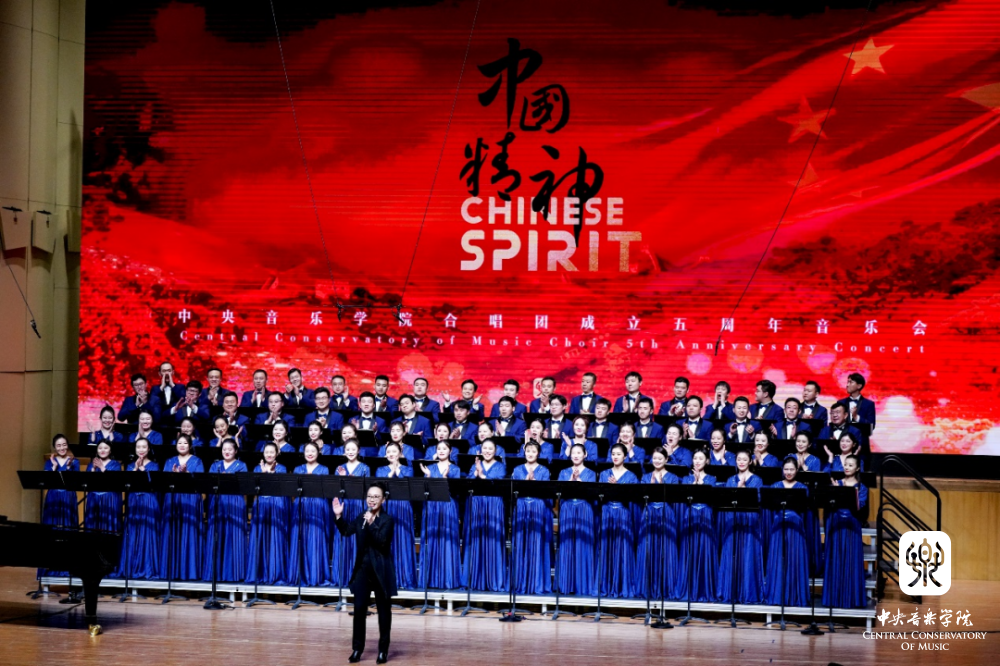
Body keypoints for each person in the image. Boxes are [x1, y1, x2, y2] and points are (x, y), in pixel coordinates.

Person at [332, 483, 396, 665]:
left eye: (376, 497)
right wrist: (338, 516)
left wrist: (372, 524)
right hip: (363, 569)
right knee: (359, 610)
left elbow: (382, 542)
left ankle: (383, 651)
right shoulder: (362, 516)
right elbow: (346, 531)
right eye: (369, 496)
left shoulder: (387, 520)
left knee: (384, 612)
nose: (372, 500)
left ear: (383, 500)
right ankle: (357, 649)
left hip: (381, 571)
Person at [717, 449, 764, 604]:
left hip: (749, 521)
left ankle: (747, 592)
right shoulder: (730, 480)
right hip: (734, 520)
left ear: (750, 461)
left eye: (744, 459)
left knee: (748, 555)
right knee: (732, 554)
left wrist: (743, 490)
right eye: (739, 459)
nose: (741, 462)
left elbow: (758, 500)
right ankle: (731, 592)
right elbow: (726, 500)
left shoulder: (757, 480)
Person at [822, 454, 868, 608]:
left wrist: (842, 492)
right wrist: (834, 492)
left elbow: (859, 507)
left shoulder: (862, 487)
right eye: (846, 464)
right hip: (836, 524)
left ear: (857, 468)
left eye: (850, 465)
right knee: (836, 559)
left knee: (850, 560)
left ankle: (851, 598)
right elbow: (828, 504)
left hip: (852, 524)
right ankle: (834, 598)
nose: (847, 467)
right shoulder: (837, 482)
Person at [463, 440, 508, 592]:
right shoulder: (474, 465)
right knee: (476, 540)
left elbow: (498, 484)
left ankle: (494, 579)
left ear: (495, 451)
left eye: (490, 448)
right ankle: (475, 579)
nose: (487, 451)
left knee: (492, 540)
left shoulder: (500, 466)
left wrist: (482, 475)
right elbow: (468, 484)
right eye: (485, 448)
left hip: (494, 506)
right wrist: (475, 473)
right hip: (477, 505)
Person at [764, 459, 810, 607]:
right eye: (786, 469)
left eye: (791, 469)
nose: (788, 472)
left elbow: (805, 511)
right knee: (779, 559)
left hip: (795, 527)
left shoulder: (802, 488)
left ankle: (794, 595)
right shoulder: (775, 486)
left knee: (794, 558)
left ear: (797, 470)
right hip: (778, 526)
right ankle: (777, 595)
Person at [637, 447, 681, 600]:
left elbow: (674, 498)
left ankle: (666, 588)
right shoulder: (645, 477)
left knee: (665, 549)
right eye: (654, 458)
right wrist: (650, 488)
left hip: (665, 514)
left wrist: (661, 486)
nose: (657, 461)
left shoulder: (673, 477)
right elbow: (641, 498)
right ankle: (647, 588)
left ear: (666, 460)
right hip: (649, 513)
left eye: (660, 458)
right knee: (648, 548)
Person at [160, 435, 205, 580]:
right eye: (179, 442)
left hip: (190, 500)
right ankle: (171, 571)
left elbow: (200, 483)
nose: (182, 445)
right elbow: (163, 482)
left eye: (185, 443)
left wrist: (186, 475)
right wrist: (173, 476)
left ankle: (189, 572)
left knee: (189, 532)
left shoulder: (197, 461)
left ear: (190, 445)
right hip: (173, 499)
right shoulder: (169, 461)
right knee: (172, 533)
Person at [203, 439, 248, 582]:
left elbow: (243, 485)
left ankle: (234, 574)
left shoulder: (241, 465)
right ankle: (215, 573)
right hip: (218, 503)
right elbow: (209, 484)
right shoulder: (215, 465)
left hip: (235, 503)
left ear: (236, 451)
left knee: (233, 536)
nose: (227, 451)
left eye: (230, 449)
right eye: (224, 449)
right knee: (217, 535)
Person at [246, 442, 291, 586]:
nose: (269, 454)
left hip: (276, 505)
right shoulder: (257, 468)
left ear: (277, 453)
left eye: (272, 452)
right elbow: (253, 488)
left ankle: (275, 573)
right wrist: (262, 473)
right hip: (261, 505)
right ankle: (258, 573)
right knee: (259, 537)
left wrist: (269, 474)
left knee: (275, 538)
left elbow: (281, 488)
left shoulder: (282, 468)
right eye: (267, 452)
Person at [597, 444, 639, 598]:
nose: (615, 457)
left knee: (623, 549)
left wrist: (617, 488)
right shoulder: (604, 474)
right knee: (606, 549)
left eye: (618, 454)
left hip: (623, 513)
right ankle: (605, 585)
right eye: (613, 454)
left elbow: (633, 498)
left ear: (625, 456)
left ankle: (623, 586)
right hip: (607, 513)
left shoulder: (632, 476)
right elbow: (599, 496)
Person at [418, 442, 462, 589]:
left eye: (444, 449)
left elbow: (455, 492)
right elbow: (424, 491)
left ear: (450, 451)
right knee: (431, 540)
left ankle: (448, 579)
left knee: (447, 541)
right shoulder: (429, 468)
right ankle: (430, 579)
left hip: (448, 506)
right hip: (432, 506)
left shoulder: (455, 469)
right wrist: (428, 476)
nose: (441, 451)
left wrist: (444, 478)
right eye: (439, 449)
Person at [511, 441, 552, 594]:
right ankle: (519, 582)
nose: (530, 454)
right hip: (521, 507)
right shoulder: (517, 470)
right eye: (528, 451)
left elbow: (547, 493)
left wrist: (534, 484)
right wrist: (524, 483)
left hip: (537, 509)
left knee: (536, 544)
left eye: (533, 451)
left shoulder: (544, 471)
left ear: (538, 453)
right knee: (520, 544)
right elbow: (513, 491)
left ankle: (536, 583)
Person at [556, 443, 597, 596]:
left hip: (584, 510)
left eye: (579, 452)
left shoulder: (591, 473)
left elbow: (592, 494)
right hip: (567, 509)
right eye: (573, 452)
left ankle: (583, 585)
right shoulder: (563, 472)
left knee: (583, 545)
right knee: (567, 546)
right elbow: (559, 493)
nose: (576, 455)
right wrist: (570, 481)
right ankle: (566, 584)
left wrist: (579, 480)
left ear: (585, 455)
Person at [287, 443, 331, 586]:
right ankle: (299, 575)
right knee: (299, 538)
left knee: (316, 539)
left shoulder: (324, 469)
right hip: (301, 505)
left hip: (317, 506)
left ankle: (315, 575)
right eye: (307, 451)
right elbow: (294, 490)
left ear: (318, 452)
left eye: (313, 451)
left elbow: (325, 490)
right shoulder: (298, 469)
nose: (310, 453)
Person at [680, 449, 718, 602]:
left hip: (705, 515)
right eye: (695, 458)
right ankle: (688, 589)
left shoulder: (712, 479)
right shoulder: (686, 479)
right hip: (690, 515)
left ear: (707, 461)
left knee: (704, 549)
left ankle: (704, 588)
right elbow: (685, 498)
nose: (697, 461)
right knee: (689, 550)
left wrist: (700, 483)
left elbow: (710, 497)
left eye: (700, 458)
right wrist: (694, 482)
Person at [376, 442, 416, 589]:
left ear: (400, 453)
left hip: (403, 507)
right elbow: (378, 489)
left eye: (394, 451)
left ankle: (404, 578)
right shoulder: (380, 470)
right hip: (386, 507)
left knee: (403, 541)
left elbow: (407, 485)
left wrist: (396, 471)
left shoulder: (408, 469)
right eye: (388, 452)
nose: (391, 454)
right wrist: (390, 474)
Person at [333, 440, 371, 587]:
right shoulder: (339, 468)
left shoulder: (365, 468)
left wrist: (348, 477)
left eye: (353, 449)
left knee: (359, 541)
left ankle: (358, 578)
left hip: (359, 506)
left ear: (359, 450)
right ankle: (342, 576)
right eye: (347, 449)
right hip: (344, 506)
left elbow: (366, 490)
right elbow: (335, 488)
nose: (350, 452)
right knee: (343, 536)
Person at [120, 437, 160, 580]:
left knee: (147, 533)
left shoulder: (154, 466)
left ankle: (147, 568)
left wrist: (143, 469)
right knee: (133, 532)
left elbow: (154, 484)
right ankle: (130, 568)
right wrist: (136, 469)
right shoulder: (130, 466)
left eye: (144, 447)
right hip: (134, 501)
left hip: (148, 500)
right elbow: (127, 483)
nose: (141, 450)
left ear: (148, 449)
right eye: (138, 447)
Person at [40, 435, 78, 578]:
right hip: (53, 498)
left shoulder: (75, 462)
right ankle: (50, 568)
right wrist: (54, 468)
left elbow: (74, 482)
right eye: (58, 445)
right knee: (52, 532)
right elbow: (47, 482)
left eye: (64, 444)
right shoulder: (49, 463)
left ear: (67, 445)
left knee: (68, 531)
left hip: (68, 497)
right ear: (54, 447)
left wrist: (68, 468)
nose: (62, 448)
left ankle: (68, 568)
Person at [84, 442, 122, 533]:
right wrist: (93, 469)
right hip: (94, 498)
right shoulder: (90, 465)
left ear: (110, 450)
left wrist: (102, 468)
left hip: (109, 498)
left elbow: (115, 482)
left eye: (106, 448)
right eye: (100, 448)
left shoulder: (116, 465)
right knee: (93, 527)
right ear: (97, 450)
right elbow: (87, 482)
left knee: (108, 526)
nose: (102, 450)